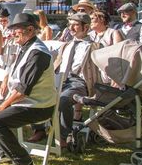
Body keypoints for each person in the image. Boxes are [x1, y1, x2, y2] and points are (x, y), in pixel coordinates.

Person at [0, 13, 57, 165]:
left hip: (38, 105)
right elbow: (15, 72)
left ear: (30, 29)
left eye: (16, 30)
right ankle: (4, 153)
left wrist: (3, 106)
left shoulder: (38, 53)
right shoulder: (25, 47)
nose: (12, 33)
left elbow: (23, 90)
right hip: (23, 101)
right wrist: (6, 78)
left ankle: (23, 162)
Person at [28, 13, 99, 145]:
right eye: (69, 25)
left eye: (75, 25)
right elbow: (55, 62)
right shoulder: (66, 45)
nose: (71, 28)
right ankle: (39, 129)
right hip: (61, 79)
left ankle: (63, 135)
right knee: (35, 93)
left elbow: (100, 69)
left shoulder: (94, 46)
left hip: (79, 82)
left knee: (63, 100)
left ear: (86, 27)